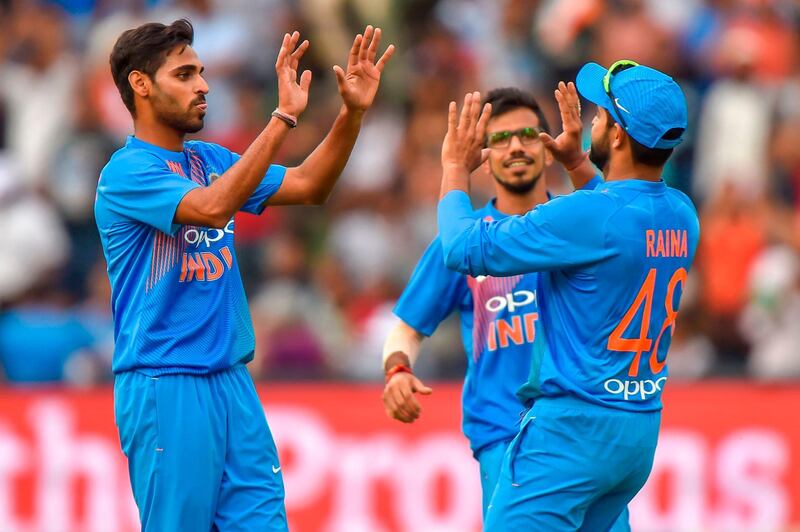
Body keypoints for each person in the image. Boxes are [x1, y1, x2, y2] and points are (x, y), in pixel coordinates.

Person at [94, 19, 393, 530]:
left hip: (231, 380)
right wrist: (280, 119)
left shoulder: (208, 159)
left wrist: (352, 113)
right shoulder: (127, 172)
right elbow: (211, 208)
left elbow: (308, 185)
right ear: (140, 86)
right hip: (167, 381)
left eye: (202, 73)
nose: (204, 85)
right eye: (185, 74)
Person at [436, 60, 699, 530]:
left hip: (571, 433)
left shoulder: (586, 215)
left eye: (599, 116)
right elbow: (620, 219)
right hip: (636, 432)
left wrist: (455, 169)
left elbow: (461, 248)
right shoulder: (682, 214)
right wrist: (578, 163)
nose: (590, 122)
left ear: (617, 136)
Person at [381, 85, 608, 513]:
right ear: (484, 157)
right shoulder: (465, 240)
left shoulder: (575, 223)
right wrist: (396, 369)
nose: (515, 147)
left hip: (583, 430)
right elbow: (406, 329)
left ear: (548, 146)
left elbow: (617, 216)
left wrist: (578, 161)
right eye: (500, 139)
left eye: (527, 134)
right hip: (506, 436)